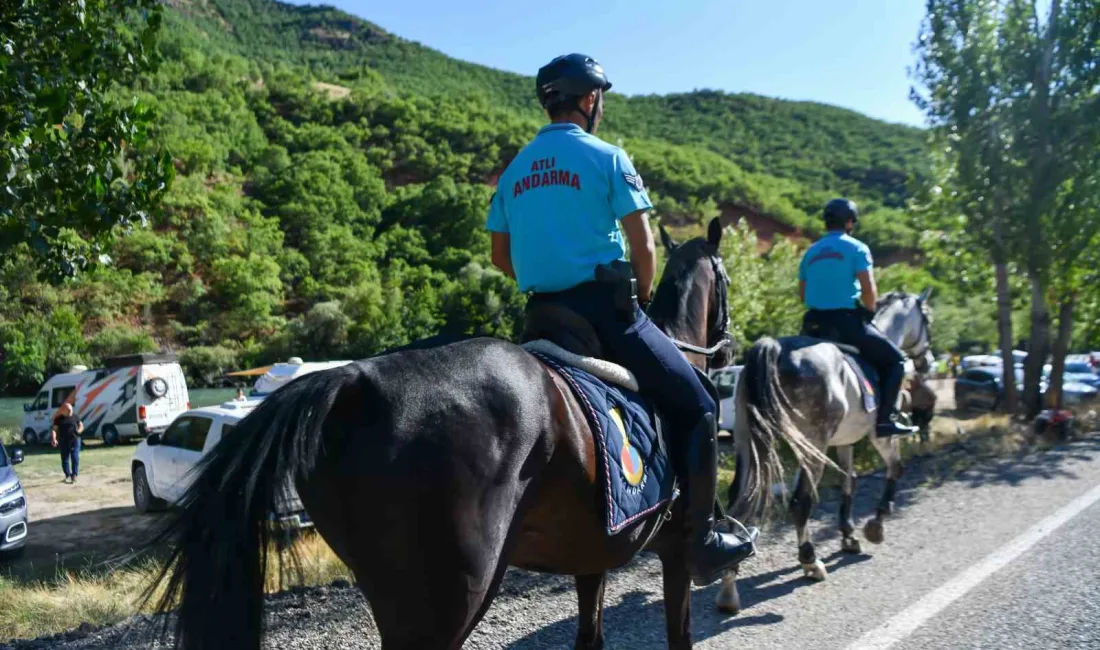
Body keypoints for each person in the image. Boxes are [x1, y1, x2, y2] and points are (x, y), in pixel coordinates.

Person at [486, 53, 754, 585]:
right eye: (598, 98)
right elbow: (645, 246)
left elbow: (500, 257)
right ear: (589, 100)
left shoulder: (514, 171)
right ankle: (701, 539)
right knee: (699, 403)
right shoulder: (608, 157)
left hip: (541, 318)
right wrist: (643, 297)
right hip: (606, 313)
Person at [798, 198, 918, 436]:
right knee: (896, 361)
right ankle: (885, 421)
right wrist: (870, 310)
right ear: (850, 221)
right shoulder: (857, 248)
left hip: (812, 325)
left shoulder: (810, 253)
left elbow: (803, 294)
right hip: (846, 324)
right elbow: (869, 289)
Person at [50, 402, 84, 484]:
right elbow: (54, 430)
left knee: (75, 456)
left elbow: (81, 425)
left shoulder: (75, 416)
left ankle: (74, 475)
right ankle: (68, 475)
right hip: (63, 440)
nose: (70, 412)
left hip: (74, 440)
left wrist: (78, 431)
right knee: (65, 458)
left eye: (71, 410)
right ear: (64, 410)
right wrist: (54, 438)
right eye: (68, 410)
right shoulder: (58, 419)